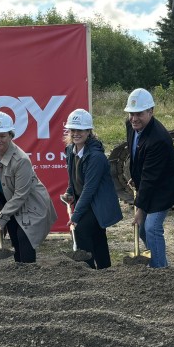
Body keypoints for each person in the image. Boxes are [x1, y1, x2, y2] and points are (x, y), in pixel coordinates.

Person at [0, 111, 58, 263]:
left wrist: (2, 217)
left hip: (31, 206)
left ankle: (30, 279)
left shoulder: (21, 160)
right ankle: (20, 279)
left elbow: (21, 195)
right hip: (12, 205)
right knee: (15, 242)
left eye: (3, 136)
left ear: (11, 135)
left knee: (25, 240)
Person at [124, 88, 174, 268]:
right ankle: (160, 261)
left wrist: (140, 209)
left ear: (151, 111)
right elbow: (136, 156)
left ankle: (161, 272)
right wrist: (135, 179)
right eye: (131, 114)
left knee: (151, 228)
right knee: (143, 229)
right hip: (148, 185)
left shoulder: (158, 138)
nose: (134, 118)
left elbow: (151, 178)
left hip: (163, 189)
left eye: (139, 114)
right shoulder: (131, 126)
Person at [62, 108, 123, 269]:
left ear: (89, 131)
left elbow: (90, 189)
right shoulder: (70, 150)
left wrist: (75, 216)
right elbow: (72, 176)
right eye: (73, 130)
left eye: (80, 130)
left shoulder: (96, 157)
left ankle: (87, 271)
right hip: (86, 202)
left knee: (81, 230)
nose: (76, 133)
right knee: (97, 237)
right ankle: (105, 269)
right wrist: (70, 192)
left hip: (98, 204)